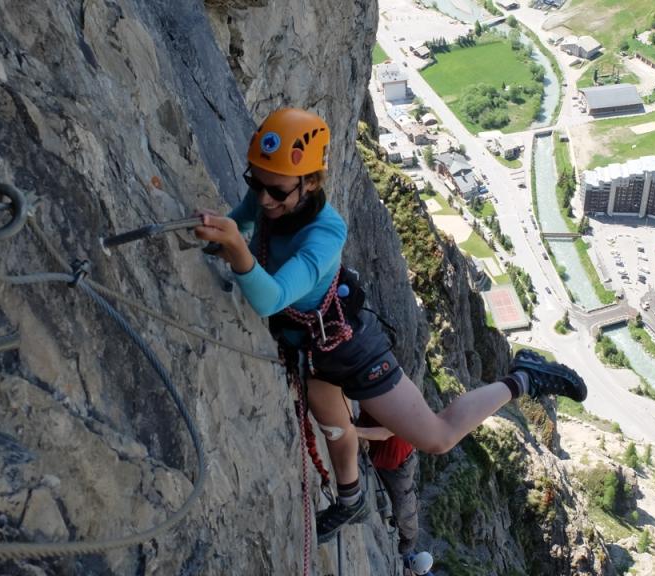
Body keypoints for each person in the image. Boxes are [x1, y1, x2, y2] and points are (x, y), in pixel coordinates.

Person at [194, 108, 587, 544]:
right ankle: (350, 501)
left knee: (435, 438)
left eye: (277, 189)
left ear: (311, 182)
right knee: (336, 427)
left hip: (350, 349)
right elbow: (247, 219)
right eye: (257, 182)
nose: (265, 197)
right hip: (309, 346)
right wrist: (221, 234)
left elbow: (268, 296)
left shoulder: (326, 233)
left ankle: (523, 378)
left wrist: (233, 245)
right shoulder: (272, 188)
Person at [355, 412, 420, 556]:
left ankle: (409, 539)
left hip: (398, 463)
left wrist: (351, 430)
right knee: (401, 501)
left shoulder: (397, 399)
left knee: (403, 507)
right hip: (379, 450)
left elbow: (385, 433)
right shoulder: (375, 392)